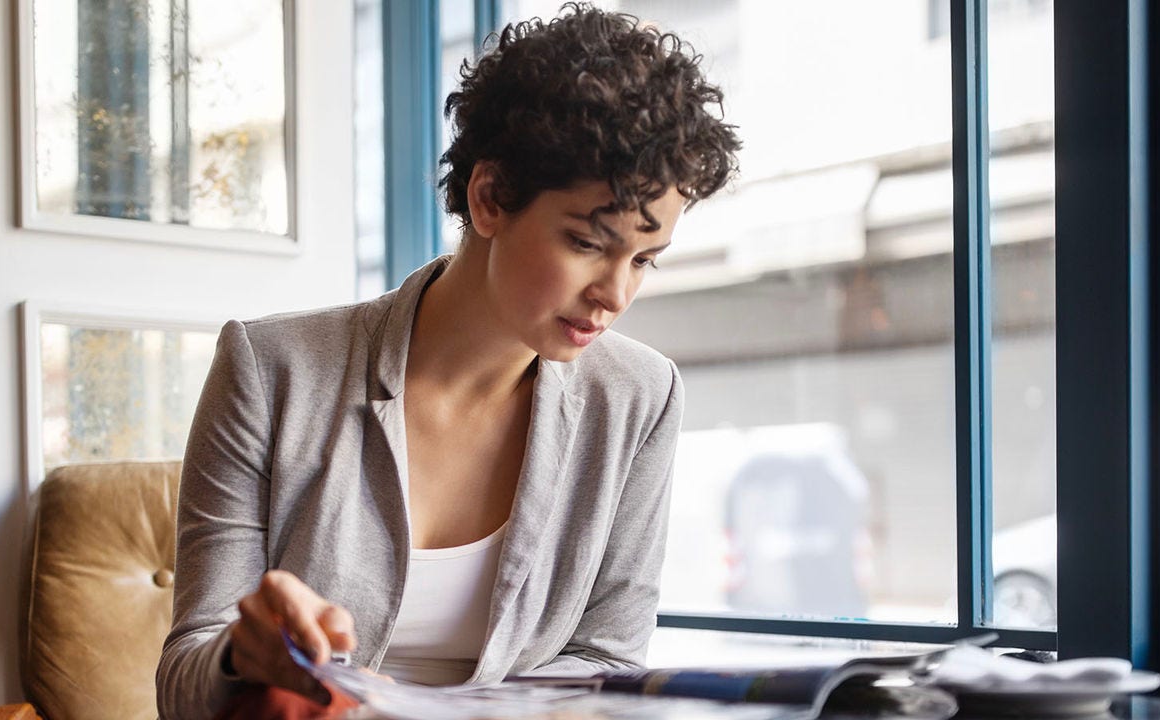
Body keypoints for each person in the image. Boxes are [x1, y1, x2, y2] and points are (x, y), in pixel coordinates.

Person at [155, 3, 741, 718]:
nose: (614, 294)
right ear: (489, 198)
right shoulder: (271, 369)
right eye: (588, 244)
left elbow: (609, 658)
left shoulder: (640, 396)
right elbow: (183, 685)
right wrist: (243, 652)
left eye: (644, 260)